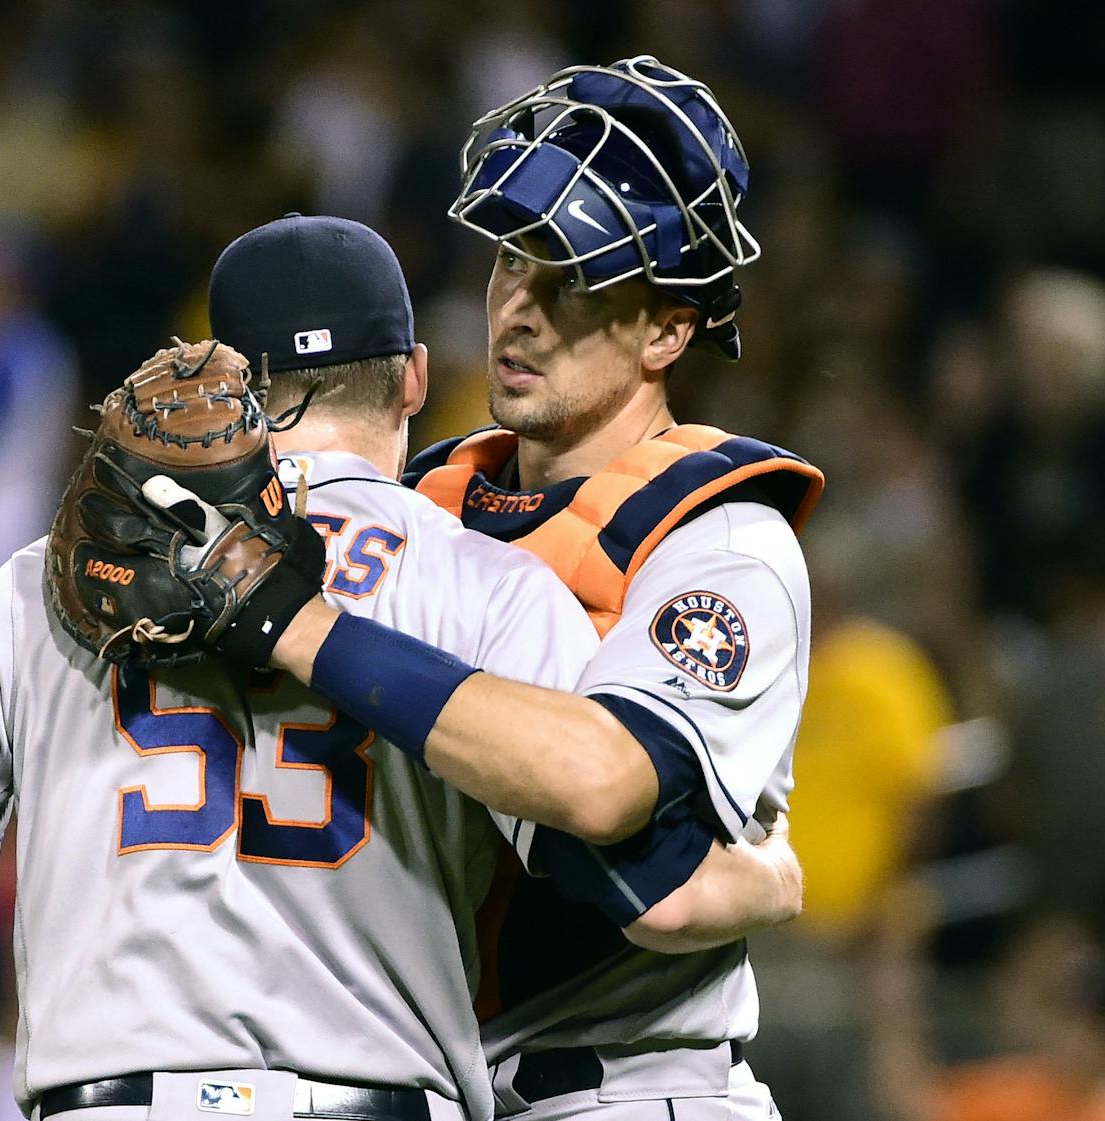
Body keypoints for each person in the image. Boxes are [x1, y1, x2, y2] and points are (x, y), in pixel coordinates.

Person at [0, 218, 787, 1121]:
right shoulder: (485, 586)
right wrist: (773, 873)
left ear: (223, 376)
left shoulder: (48, 580)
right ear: (416, 375)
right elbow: (640, 883)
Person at [176, 57, 822, 1120]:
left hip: (621, 1088)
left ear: (665, 329)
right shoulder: (423, 494)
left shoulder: (718, 543)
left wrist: (299, 625)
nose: (516, 311)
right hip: (412, 1079)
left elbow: (618, 870)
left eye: (569, 278)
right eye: (510, 263)